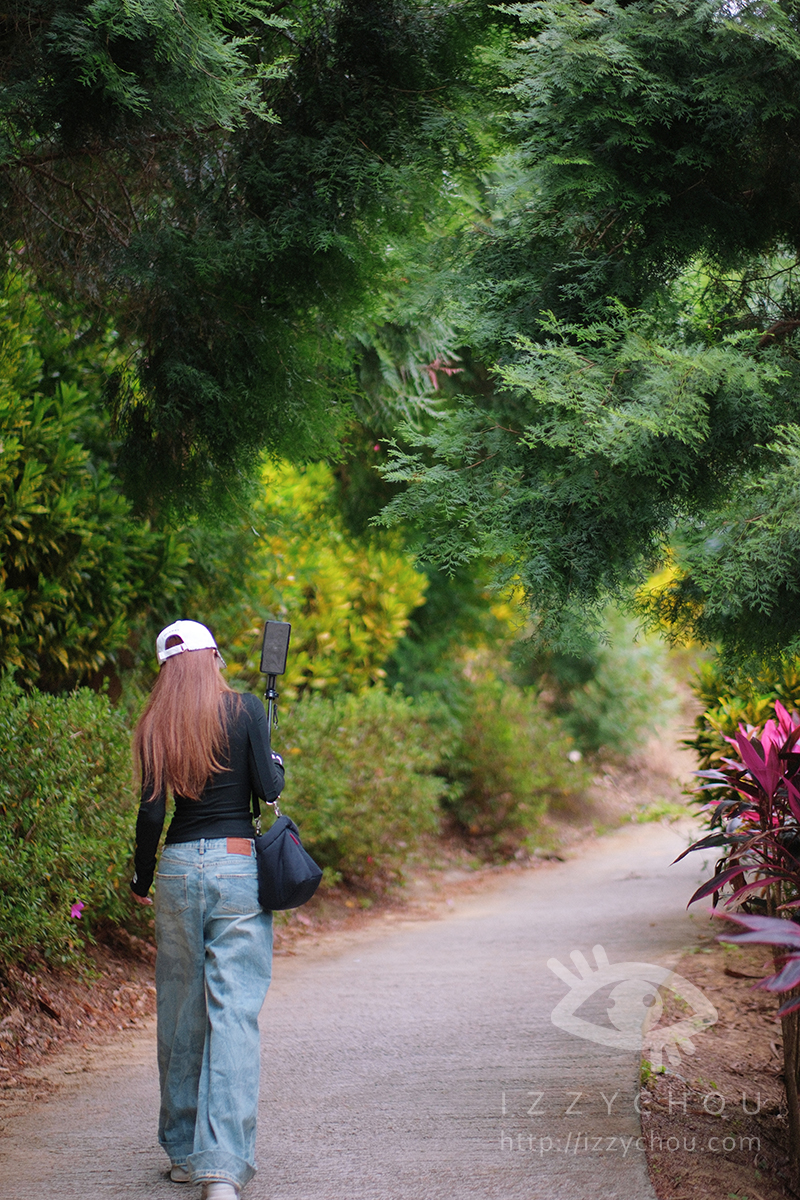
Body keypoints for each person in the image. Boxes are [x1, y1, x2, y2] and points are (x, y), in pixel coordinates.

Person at [130, 620, 285, 1200]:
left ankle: (181, 1153)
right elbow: (269, 788)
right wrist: (273, 761)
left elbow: (151, 815)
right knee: (234, 1013)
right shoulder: (246, 709)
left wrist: (142, 877)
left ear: (166, 670)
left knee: (180, 1011)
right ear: (213, 657)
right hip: (236, 866)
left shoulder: (155, 723)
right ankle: (221, 1168)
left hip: (176, 869)